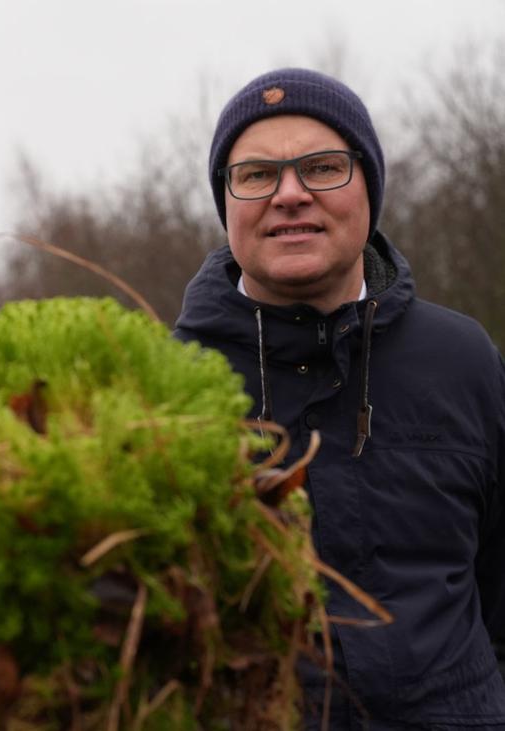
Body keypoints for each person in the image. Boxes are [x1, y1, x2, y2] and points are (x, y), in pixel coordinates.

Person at [175, 67, 505, 728]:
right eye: (257, 174)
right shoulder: (167, 384)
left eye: (323, 167)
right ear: (227, 202)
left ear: (369, 188)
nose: (290, 194)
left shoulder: (465, 360)